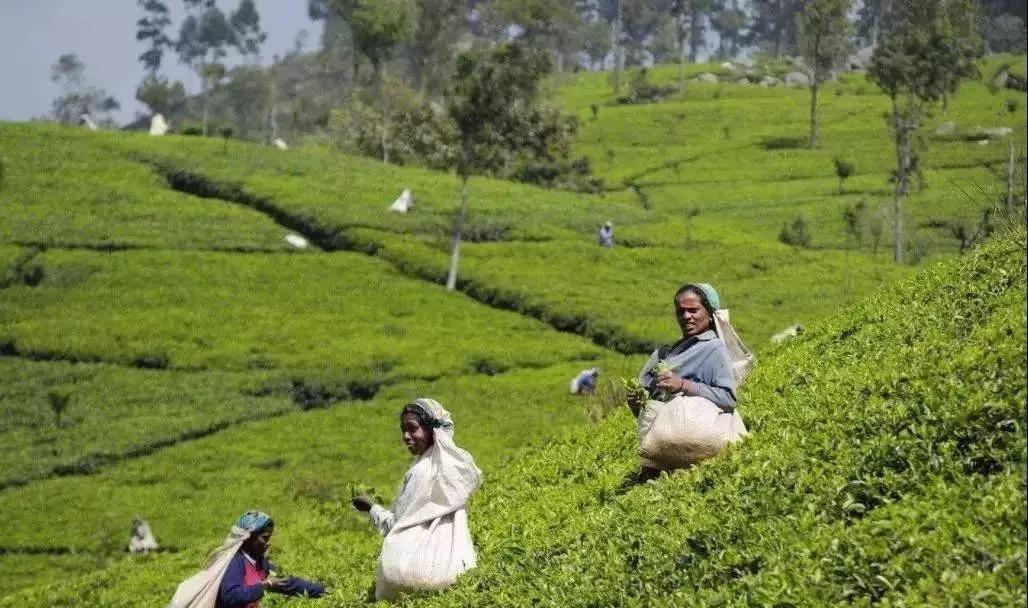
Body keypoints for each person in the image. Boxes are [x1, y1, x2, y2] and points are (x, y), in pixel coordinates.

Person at [352, 398, 482, 601]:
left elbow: (396, 524)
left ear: (431, 430)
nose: (406, 436)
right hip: (455, 570)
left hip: (405, 577)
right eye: (403, 430)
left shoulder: (419, 472)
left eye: (412, 429)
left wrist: (371, 508)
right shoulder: (451, 466)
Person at [627, 283, 743, 476]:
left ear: (709, 312)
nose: (686, 317)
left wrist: (683, 384)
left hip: (696, 434)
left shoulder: (713, 348)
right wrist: (636, 402)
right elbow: (647, 408)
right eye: (681, 312)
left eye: (693, 310)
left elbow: (728, 398)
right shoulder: (664, 353)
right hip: (659, 446)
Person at [166, 510, 326, 608]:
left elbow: (287, 583)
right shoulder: (234, 563)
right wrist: (264, 585)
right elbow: (231, 596)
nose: (268, 543)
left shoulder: (260, 563)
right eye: (264, 538)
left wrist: (325, 592)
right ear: (248, 538)